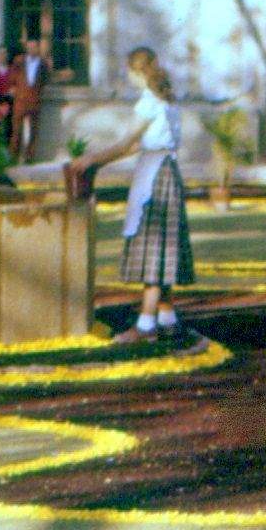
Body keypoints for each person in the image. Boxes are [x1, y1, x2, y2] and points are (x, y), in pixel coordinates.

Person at [83, 47, 194, 340]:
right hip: (165, 171)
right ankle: (167, 316)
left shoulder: (149, 102)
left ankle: (146, 324)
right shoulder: (167, 100)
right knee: (163, 246)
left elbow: (126, 143)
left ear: (136, 71)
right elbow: (134, 146)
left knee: (153, 246)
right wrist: (101, 159)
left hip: (156, 175)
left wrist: (91, 160)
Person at [12, 35, 48, 159]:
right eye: (30, 47)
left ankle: (29, 156)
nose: (32, 49)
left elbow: (44, 80)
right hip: (20, 100)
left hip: (34, 99)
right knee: (17, 129)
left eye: (34, 47)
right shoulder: (19, 61)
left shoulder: (43, 63)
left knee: (34, 130)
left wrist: (38, 93)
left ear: (38, 48)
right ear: (26, 48)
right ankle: (14, 156)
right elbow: (12, 78)